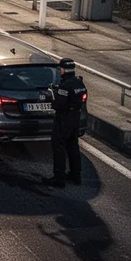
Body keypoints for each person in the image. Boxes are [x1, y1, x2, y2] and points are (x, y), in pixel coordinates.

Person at [43, 58, 87, 187]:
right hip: (76, 118)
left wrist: (53, 98)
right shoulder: (79, 83)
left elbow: (59, 105)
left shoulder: (65, 86)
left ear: (62, 69)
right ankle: (76, 175)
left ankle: (59, 178)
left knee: (59, 147)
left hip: (64, 120)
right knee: (73, 146)